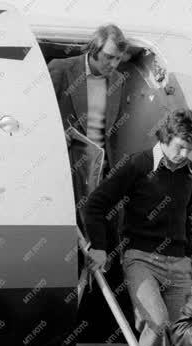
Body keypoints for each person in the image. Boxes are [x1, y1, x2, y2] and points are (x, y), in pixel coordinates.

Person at [85, 109, 192, 346]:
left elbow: (186, 216)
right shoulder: (138, 165)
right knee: (157, 322)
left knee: (184, 338)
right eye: (181, 146)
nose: (185, 155)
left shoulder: (190, 174)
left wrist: (187, 257)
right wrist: (99, 246)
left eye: (191, 148)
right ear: (165, 138)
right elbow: (95, 204)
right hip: (141, 259)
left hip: (178, 265)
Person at [48, 24, 128, 224]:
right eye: (109, 56)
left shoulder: (118, 80)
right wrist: (57, 135)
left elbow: (114, 132)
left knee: (100, 230)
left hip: (101, 170)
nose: (113, 64)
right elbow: (39, 113)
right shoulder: (61, 69)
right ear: (94, 48)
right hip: (67, 165)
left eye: (118, 58)